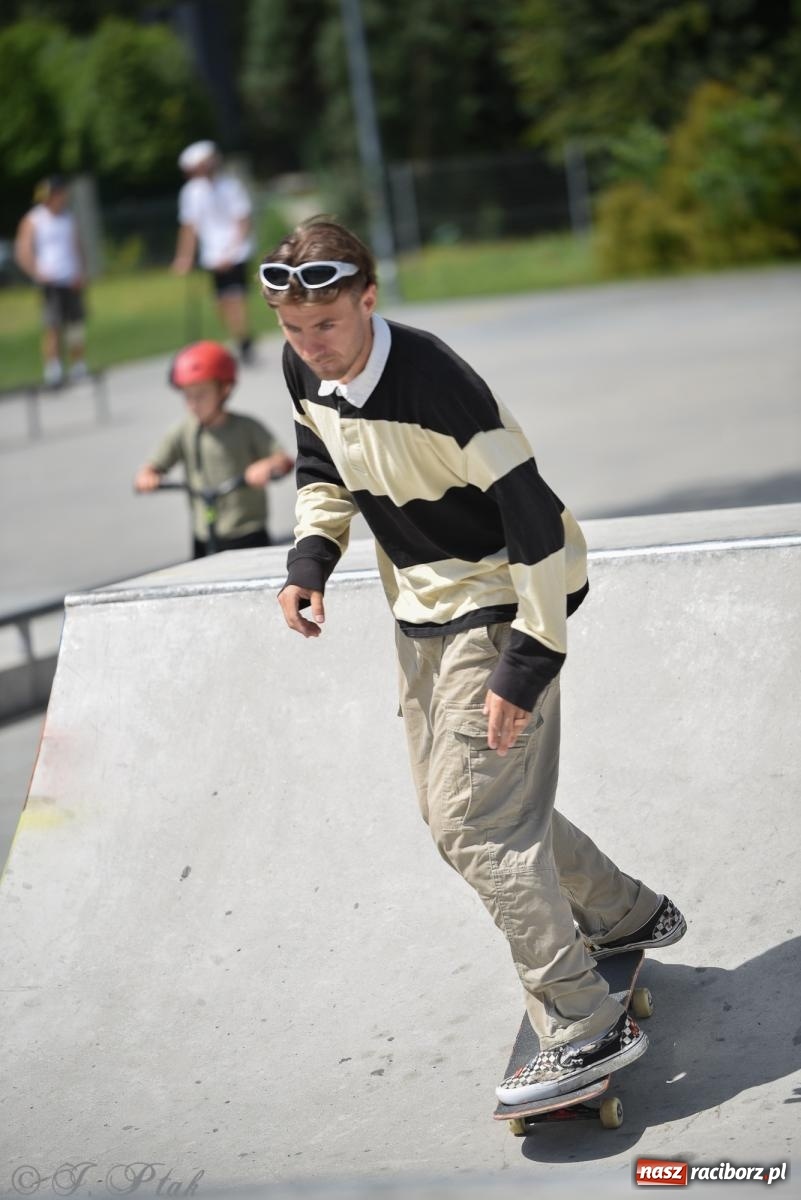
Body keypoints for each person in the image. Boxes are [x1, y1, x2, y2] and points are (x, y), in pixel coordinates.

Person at [262, 217, 687, 1105]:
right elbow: (319, 462)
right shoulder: (305, 364)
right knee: (463, 811)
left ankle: (581, 1021)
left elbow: (530, 515)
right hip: (420, 607)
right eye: (294, 332)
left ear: (368, 299)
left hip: (500, 599)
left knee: (476, 828)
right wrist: (311, 562)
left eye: (328, 328)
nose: (313, 350)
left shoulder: (439, 384)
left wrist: (525, 663)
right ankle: (621, 911)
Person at [134, 340, 293, 558]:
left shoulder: (245, 427)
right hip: (204, 534)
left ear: (224, 390)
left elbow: (283, 459)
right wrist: (148, 474)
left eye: (200, 395)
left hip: (247, 531)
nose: (193, 404)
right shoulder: (184, 431)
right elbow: (156, 463)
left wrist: (268, 466)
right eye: (187, 396)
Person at [172, 140, 256, 364]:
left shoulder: (231, 186)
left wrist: (232, 251)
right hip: (212, 254)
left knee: (236, 296)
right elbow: (189, 227)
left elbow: (242, 221)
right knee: (221, 301)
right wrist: (185, 257)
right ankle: (239, 336)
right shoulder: (191, 193)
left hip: (235, 252)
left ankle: (244, 341)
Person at [14, 175, 88, 387]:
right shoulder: (34, 220)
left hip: (70, 278)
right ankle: (53, 369)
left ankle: (78, 365)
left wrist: (80, 272)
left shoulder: (68, 217)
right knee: (53, 325)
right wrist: (38, 272)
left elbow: (76, 247)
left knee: (75, 326)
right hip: (51, 280)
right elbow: (23, 251)